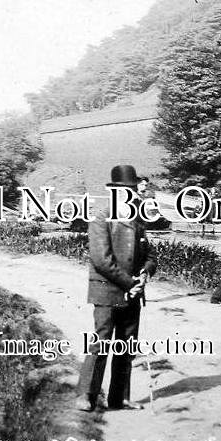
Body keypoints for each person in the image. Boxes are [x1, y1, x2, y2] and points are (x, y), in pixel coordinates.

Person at [76, 164, 158, 412]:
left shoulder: (137, 218)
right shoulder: (101, 217)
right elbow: (102, 260)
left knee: (127, 344)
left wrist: (145, 273)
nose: (129, 194)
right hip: (107, 290)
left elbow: (151, 255)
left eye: (132, 189)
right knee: (102, 341)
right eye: (123, 190)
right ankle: (86, 396)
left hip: (133, 293)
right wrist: (130, 283)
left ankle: (119, 397)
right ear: (112, 191)